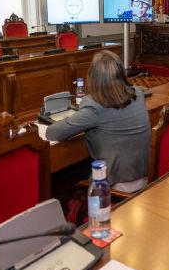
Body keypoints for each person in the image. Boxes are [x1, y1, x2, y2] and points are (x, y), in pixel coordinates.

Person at [46, 50, 151, 193]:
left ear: (93, 78)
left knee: (68, 178)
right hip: (145, 177)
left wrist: (71, 119)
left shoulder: (94, 105)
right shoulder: (138, 93)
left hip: (116, 186)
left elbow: (53, 133)